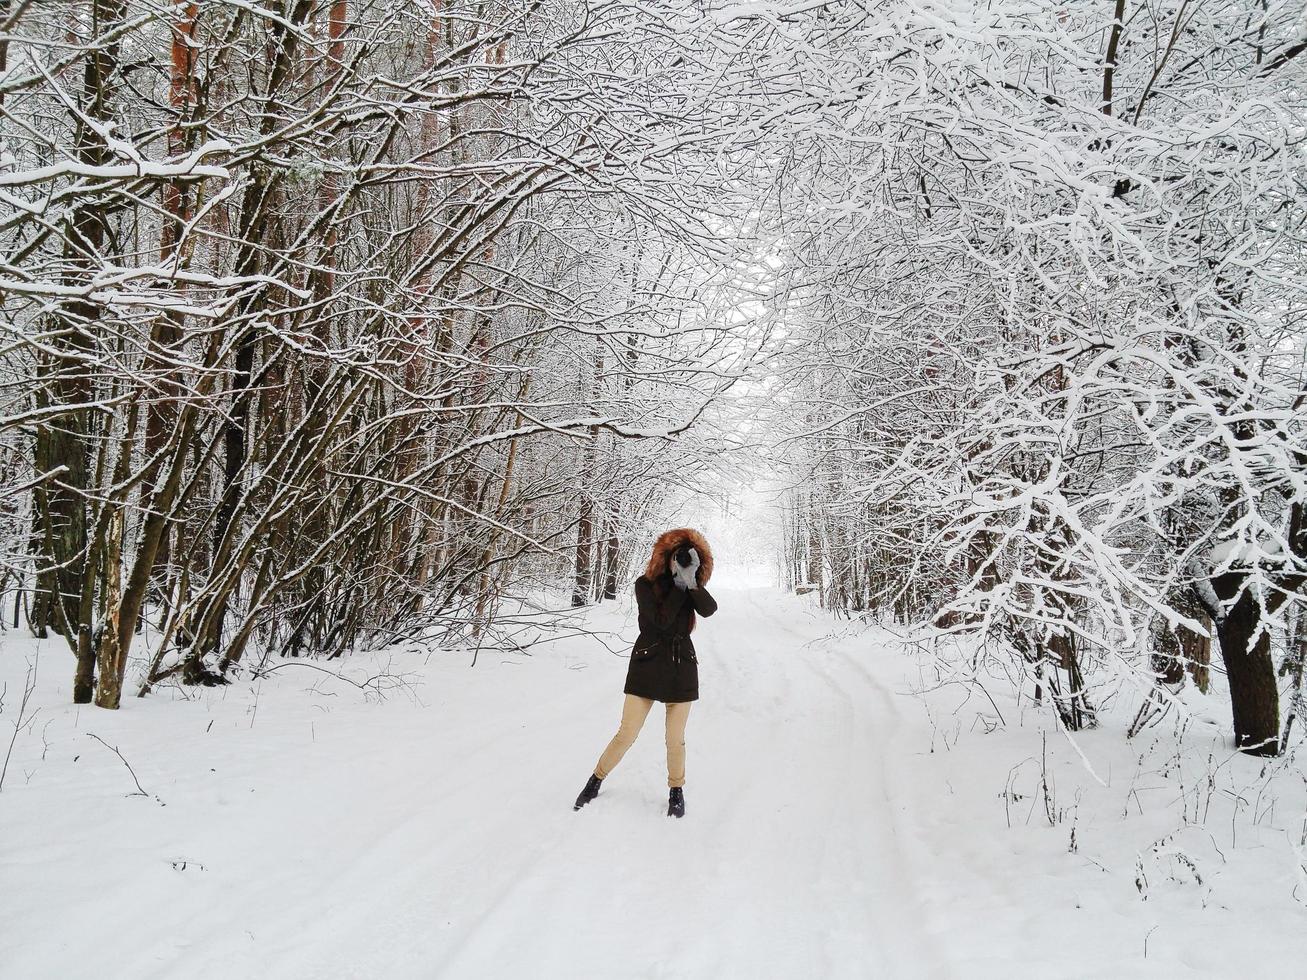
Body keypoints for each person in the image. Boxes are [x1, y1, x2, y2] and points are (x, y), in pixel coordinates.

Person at [573, 528, 717, 818]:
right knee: (626, 733)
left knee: (675, 738)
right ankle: (596, 779)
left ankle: (676, 791)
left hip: (681, 668)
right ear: (664, 558)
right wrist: (678, 585)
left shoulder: (690, 588)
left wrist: (691, 583)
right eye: (677, 558)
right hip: (647, 666)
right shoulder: (644, 585)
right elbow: (660, 622)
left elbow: (709, 610)